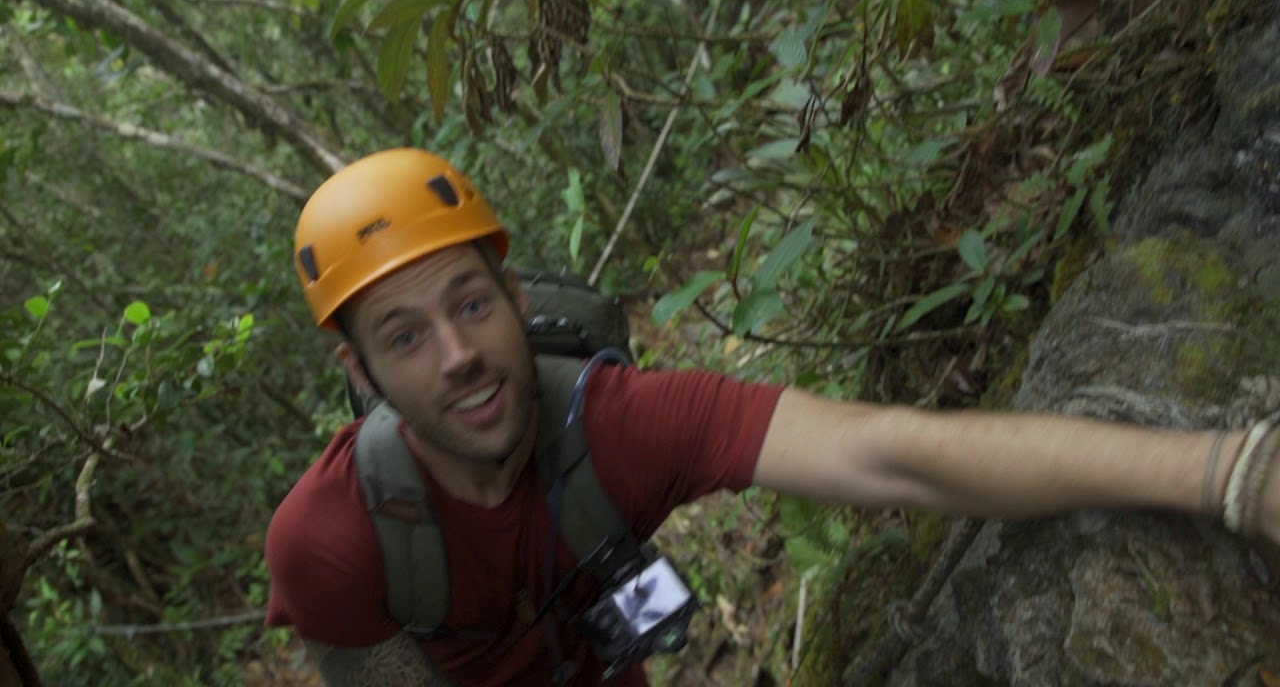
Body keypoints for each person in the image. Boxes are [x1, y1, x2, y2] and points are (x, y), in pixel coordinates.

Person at [265, 147, 1280, 686]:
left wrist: (1226, 474)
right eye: (405, 336)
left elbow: (893, 458)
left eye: (472, 304)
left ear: (518, 299)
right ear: (359, 371)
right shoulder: (333, 542)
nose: (457, 357)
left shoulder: (619, 425)